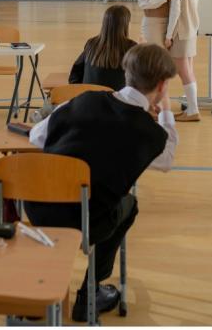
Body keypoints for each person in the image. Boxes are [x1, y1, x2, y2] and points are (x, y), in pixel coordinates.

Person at [26, 44, 179, 322]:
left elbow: (36, 136)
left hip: (38, 207)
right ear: (161, 85)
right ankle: (89, 293)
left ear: (126, 72)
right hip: (86, 220)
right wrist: (166, 111)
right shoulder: (149, 134)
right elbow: (167, 160)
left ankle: (38, 290)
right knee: (128, 206)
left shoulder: (84, 100)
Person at [162, 0, 202, 122]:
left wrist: (168, 35)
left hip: (180, 31)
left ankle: (193, 111)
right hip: (192, 29)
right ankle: (192, 109)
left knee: (184, 72)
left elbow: (175, 11)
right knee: (189, 70)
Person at [68, 4, 137, 91]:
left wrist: (82, 94)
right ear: (125, 24)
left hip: (90, 100)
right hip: (117, 102)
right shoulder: (132, 47)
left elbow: (74, 75)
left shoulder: (91, 43)